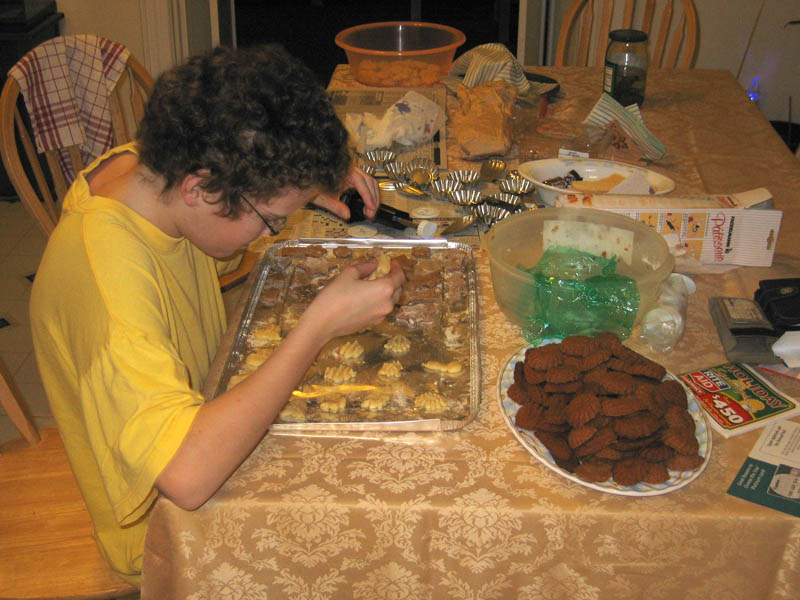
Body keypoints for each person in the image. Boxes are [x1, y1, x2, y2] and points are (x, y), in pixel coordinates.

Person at [29, 44, 405, 587]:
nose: (272, 231)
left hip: (203, 399)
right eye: (273, 220)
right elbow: (185, 477)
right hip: (167, 531)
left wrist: (309, 175)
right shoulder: (106, 280)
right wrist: (317, 327)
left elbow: (237, 161)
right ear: (199, 188)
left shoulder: (147, 168)